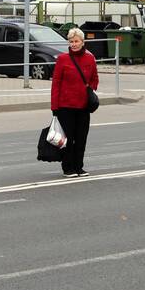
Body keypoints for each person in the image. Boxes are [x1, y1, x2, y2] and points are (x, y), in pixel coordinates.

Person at [50, 27, 99, 177]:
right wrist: (54, 107)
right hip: (66, 106)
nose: (74, 44)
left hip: (83, 106)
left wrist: (89, 88)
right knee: (68, 139)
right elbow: (56, 83)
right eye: (71, 41)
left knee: (81, 139)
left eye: (76, 41)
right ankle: (68, 168)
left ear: (82, 42)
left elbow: (95, 78)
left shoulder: (90, 58)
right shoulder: (62, 59)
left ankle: (79, 167)